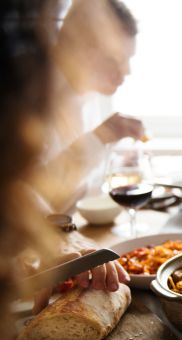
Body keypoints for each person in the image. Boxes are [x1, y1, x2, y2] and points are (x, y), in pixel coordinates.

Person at [0, 1, 129, 336]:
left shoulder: (74, 101)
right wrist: (58, 238)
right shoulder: (27, 93)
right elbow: (23, 183)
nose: (125, 72)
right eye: (116, 59)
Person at [33, 0, 146, 213]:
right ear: (78, 47)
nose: (127, 70)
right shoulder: (30, 99)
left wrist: (120, 160)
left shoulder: (87, 96)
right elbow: (34, 195)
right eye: (115, 59)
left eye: (128, 58)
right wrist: (102, 136)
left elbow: (79, 188)